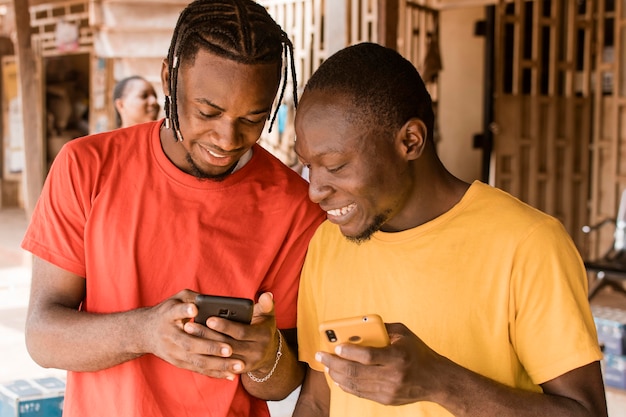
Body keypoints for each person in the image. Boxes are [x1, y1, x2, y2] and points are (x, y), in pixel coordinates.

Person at [21, 1, 325, 417]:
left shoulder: (294, 207)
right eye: (208, 111)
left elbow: (282, 384)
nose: (226, 137)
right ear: (169, 78)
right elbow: (42, 337)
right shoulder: (87, 167)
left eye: (253, 118)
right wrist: (144, 332)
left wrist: (264, 354)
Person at [292, 42, 607, 417]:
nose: (315, 190)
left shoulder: (527, 243)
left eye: (337, 165)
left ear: (410, 141)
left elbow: (586, 412)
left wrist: (439, 382)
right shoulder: (328, 243)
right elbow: (317, 398)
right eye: (309, 165)